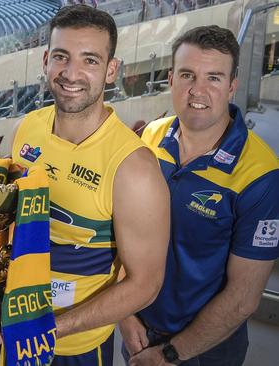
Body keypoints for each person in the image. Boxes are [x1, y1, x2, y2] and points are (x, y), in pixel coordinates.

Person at [10, 5, 170, 365]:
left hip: (75, 346)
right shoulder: (27, 128)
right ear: (46, 60)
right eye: (62, 57)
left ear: (111, 70)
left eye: (90, 60)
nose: (72, 73)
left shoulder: (134, 168)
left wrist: (53, 328)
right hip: (11, 325)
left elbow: (146, 283)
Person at [119, 25, 279, 366]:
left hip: (205, 350)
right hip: (137, 334)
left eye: (214, 78)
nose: (198, 91)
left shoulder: (260, 174)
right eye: (188, 75)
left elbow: (243, 298)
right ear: (170, 79)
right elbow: (122, 230)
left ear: (233, 86)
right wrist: (125, 315)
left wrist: (169, 354)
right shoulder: (149, 138)